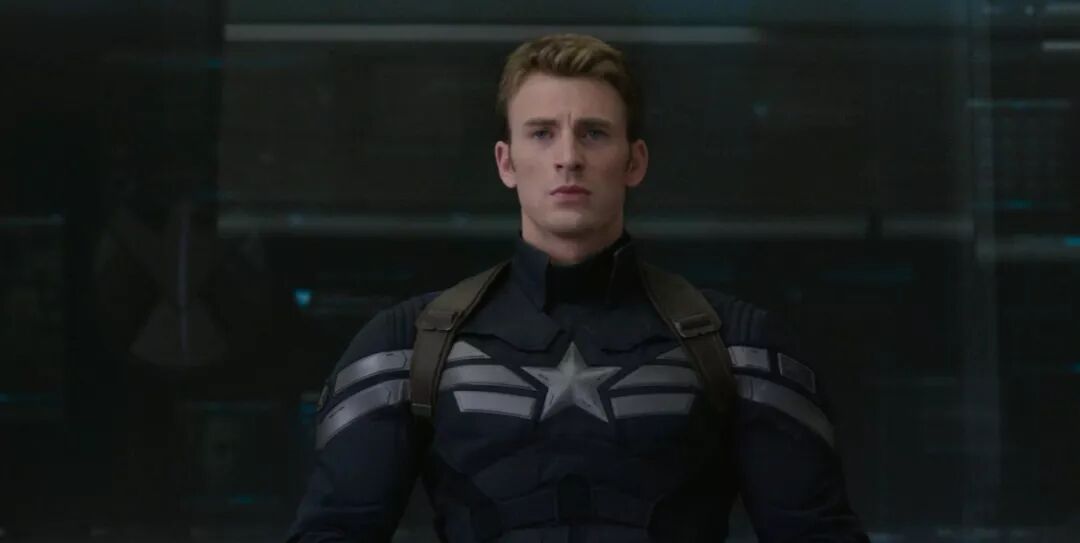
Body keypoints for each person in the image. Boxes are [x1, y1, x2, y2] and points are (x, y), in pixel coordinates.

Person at [287, 33, 869, 543]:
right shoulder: (410, 344)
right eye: (542, 134)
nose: (568, 158)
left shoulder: (737, 344)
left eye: (593, 133)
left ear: (634, 161)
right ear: (506, 162)